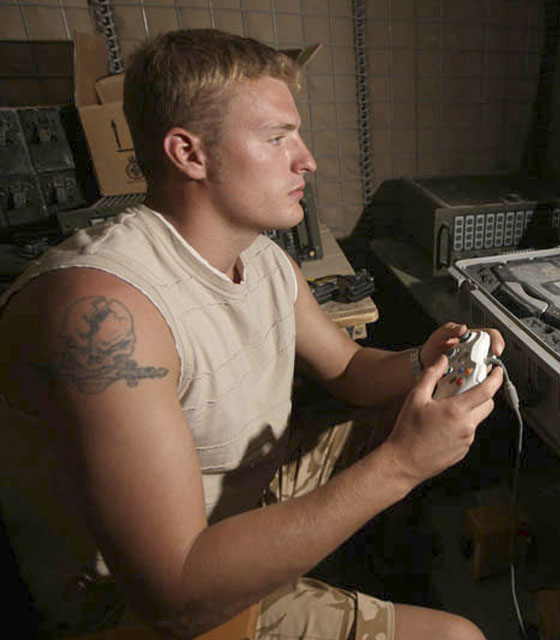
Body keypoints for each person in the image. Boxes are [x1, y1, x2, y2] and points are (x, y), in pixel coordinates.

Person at [0, 29, 504, 639]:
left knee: (425, 410)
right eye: (277, 138)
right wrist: (402, 466)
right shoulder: (107, 312)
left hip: (243, 501)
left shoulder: (264, 259)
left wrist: (424, 359)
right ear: (189, 154)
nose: (307, 159)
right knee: (461, 638)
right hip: (139, 608)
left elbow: (347, 370)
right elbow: (171, 595)